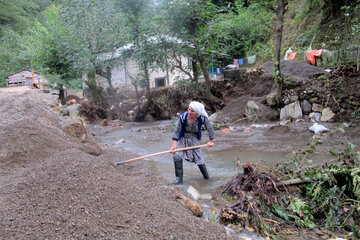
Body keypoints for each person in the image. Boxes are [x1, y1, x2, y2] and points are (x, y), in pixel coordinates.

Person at [170, 101, 215, 185]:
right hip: (183, 138)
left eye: (192, 111)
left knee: (199, 158)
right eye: (189, 109)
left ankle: (207, 178)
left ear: (197, 113)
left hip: (194, 139)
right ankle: (179, 179)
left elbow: (210, 129)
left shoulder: (202, 118)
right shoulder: (183, 117)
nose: (189, 112)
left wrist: (211, 141)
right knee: (177, 156)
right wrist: (174, 145)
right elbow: (176, 131)